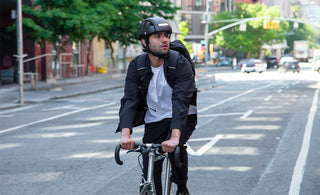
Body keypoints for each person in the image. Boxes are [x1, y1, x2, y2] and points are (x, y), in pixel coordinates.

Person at [116, 17, 197, 195]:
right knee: (150, 168)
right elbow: (129, 99)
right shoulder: (137, 66)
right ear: (144, 41)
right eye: (157, 36)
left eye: (166, 36)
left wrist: (175, 137)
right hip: (155, 118)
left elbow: (180, 101)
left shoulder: (179, 63)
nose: (164, 40)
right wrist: (125, 135)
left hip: (182, 116)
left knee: (176, 149)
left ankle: (181, 188)